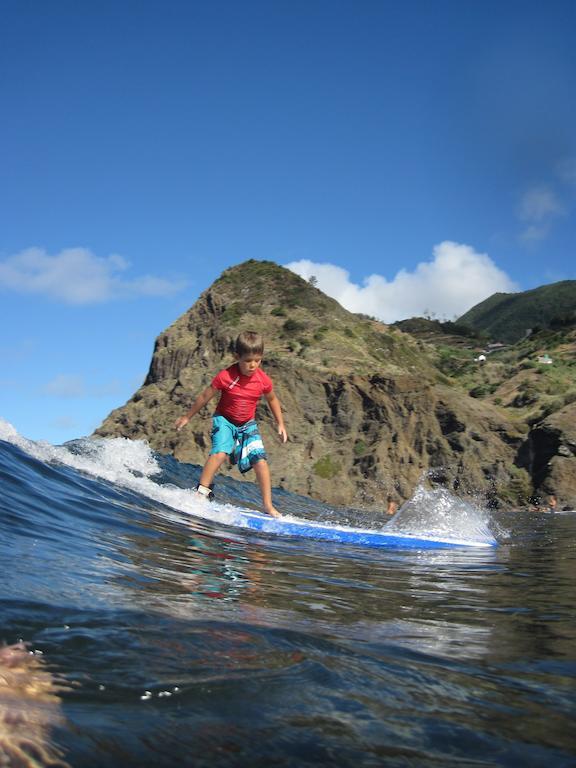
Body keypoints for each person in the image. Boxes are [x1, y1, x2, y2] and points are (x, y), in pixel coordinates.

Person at [175, 331, 287, 517]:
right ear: (237, 357)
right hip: (224, 420)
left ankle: (268, 506)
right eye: (248, 360)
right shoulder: (226, 376)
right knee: (220, 454)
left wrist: (280, 423)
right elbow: (205, 395)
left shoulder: (263, 380)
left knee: (260, 461)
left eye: (257, 360)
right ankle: (201, 493)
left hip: (247, 424)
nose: (253, 365)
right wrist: (187, 417)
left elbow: (272, 399)